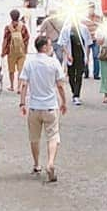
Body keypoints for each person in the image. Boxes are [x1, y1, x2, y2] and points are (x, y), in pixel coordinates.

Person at [19, 35, 68, 182]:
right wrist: (64, 102)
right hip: (50, 106)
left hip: (34, 106)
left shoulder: (30, 63)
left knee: (34, 137)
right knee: (53, 135)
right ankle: (51, 162)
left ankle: (36, 164)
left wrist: (22, 103)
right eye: (49, 45)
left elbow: (24, 84)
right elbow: (60, 85)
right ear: (45, 47)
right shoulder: (53, 63)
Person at [56, 17, 92, 106]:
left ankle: (76, 95)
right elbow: (63, 43)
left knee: (79, 75)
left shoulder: (84, 29)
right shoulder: (66, 29)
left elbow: (87, 43)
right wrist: (68, 54)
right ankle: (74, 91)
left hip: (81, 55)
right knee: (71, 75)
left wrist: (87, 57)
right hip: (71, 55)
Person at [1, 9, 30, 92]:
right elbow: (27, 38)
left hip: (11, 51)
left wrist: (3, 51)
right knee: (20, 69)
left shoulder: (8, 28)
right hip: (21, 51)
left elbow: (5, 40)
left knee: (11, 70)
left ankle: (12, 86)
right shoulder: (23, 27)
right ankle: (19, 87)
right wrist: (25, 49)